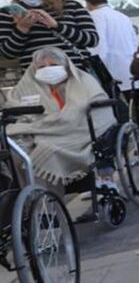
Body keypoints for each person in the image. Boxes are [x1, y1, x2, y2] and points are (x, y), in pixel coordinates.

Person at [5, 47, 115, 186]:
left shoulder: (83, 82)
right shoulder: (29, 85)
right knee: (17, 150)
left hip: (79, 131)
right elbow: (16, 110)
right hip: (40, 132)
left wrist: (48, 125)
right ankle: (38, 197)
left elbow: (95, 115)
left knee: (47, 150)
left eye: (54, 65)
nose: (47, 69)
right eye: (41, 67)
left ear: (66, 65)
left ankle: (50, 198)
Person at [0, 0, 99, 71]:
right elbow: (7, 53)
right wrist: (22, 28)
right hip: (38, 76)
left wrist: (57, 25)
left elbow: (92, 40)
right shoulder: (9, 13)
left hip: (76, 72)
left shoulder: (71, 6)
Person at [84, 0, 139, 93]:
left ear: (88, 3)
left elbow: (98, 47)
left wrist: (98, 73)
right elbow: (135, 43)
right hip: (131, 70)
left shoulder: (94, 16)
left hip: (112, 71)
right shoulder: (123, 16)